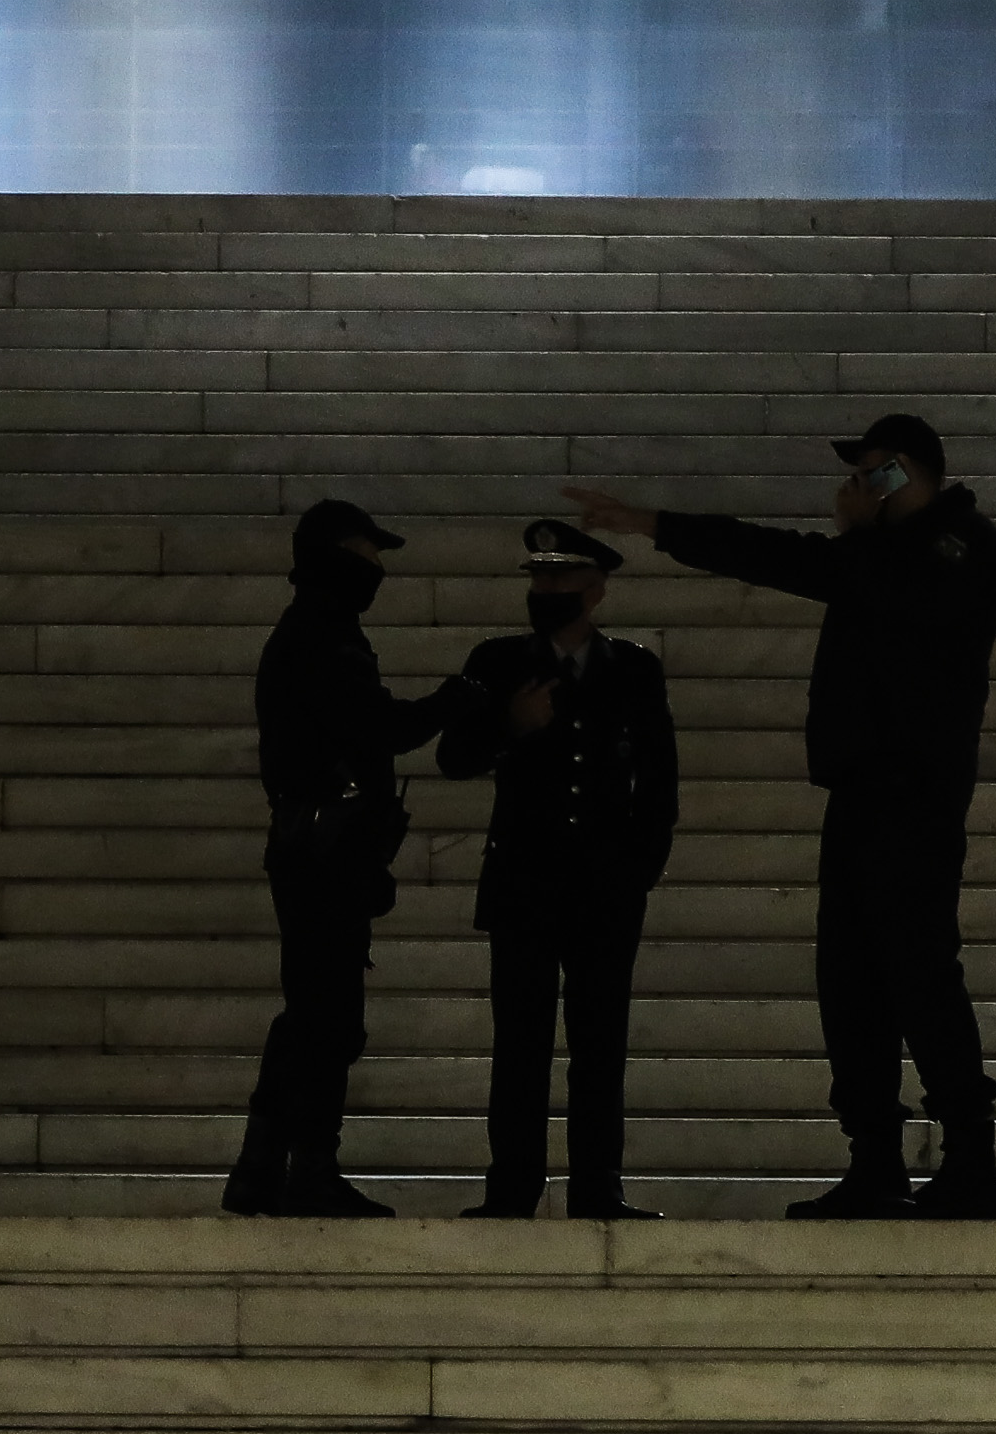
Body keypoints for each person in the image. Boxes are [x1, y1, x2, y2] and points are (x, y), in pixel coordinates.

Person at [573, 412, 996, 1221]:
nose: (855, 488)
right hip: (859, 792)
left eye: (874, 472)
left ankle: (971, 1159)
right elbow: (779, 555)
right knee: (850, 982)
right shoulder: (873, 554)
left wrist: (857, 532)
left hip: (915, 796)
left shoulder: (963, 545)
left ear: (909, 473)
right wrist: (656, 526)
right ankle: (875, 1157)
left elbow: (897, 595)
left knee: (918, 972)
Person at [437, 521, 679, 1221]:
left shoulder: (633, 668)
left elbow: (659, 782)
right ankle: (512, 1186)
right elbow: (453, 755)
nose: (544, 591)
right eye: (537, 578)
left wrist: (640, 868)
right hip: (524, 884)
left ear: (595, 590)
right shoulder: (497, 660)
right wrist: (511, 725)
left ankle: (598, 1187)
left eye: (560, 580)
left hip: (605, 887)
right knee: (521, 1042)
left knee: (600, 1042)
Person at [234, 499, 469, 1220]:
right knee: (328, 1017)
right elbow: (376, 724)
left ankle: (264, 1166)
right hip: (321, 853)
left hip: (318, 847)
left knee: (312, 1013)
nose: (379, 568)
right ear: (338, 552)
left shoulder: (315, 627)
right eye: (370, 552)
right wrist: (448, 702)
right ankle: (307, 1168)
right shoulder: (321, 634)